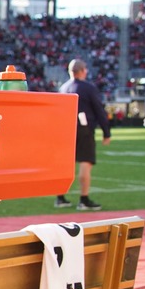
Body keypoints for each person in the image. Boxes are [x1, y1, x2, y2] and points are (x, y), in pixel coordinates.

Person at [55, 59, 111, 210]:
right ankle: (84, 199)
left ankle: (60, 198)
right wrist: (106, 132)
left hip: (66, 129)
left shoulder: (63, 87)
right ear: (82, 71)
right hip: (84, 129)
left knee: (65, 164)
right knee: (85, 162)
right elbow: (99, 110)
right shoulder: (88, 88)